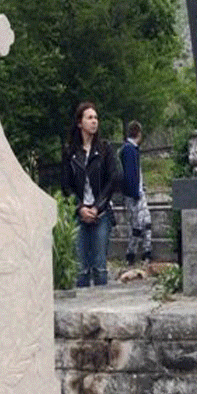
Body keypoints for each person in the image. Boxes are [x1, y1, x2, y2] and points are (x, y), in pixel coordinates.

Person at [61, 102, 119, 287]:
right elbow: (66, 186)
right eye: (89, 117)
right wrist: (80, 208)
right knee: (80, 267)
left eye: (96, 117)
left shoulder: (105, 149)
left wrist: (97, 207)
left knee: (100, 265)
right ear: (80, 123)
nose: (94, 121)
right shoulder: (70, 152)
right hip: (80, 214)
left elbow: (113, 179)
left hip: (101, 213)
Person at [119, 121, 153, 266]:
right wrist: (135, 192)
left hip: (137, 193)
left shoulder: (131, 149)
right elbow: (130, 174)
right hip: (134, 195)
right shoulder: (129, 150)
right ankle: (131, 253)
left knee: (146, 222)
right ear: (139, 133)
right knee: (137, 225)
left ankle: (146, 252)